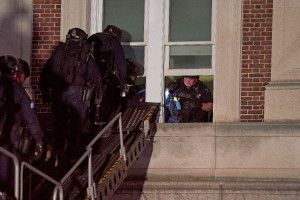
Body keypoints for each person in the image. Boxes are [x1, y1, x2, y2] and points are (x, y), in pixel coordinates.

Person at [39, 28, 102, 159]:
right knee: (76, 123)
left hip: (58, 92)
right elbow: (96, 76)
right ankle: (72, 153)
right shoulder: (85, 53)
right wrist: (98, 98)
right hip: (77, 93)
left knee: (60, 121)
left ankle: (58, 149)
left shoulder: (58, 52)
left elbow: (45, 74)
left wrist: (45, 93)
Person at [0, 55, 44, 196]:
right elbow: (30, 118)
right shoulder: (18, 90)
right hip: (10, 141)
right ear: (15, 72)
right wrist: (39, 141)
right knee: (10, 176)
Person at [89, 25, 128, 97]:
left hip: (87, 79)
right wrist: (123, 82)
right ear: (116, 34)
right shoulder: (114, 42)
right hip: (104, 79)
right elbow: (121, 64)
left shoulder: (92, 38)